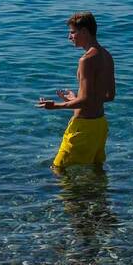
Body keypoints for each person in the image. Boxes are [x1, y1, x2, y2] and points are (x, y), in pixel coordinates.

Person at [39, 12, 115, 169]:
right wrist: (76, 98)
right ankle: (97, 194)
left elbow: (86, 100)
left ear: (85, 32)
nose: (69, 37)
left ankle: (70, 195)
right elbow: (109, 95)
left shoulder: (86, 60)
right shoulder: (106, 55)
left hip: (83, 127)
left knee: (58, 169)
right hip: (100, 125)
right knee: (96, 169)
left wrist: (55, 106)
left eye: (73, 32)